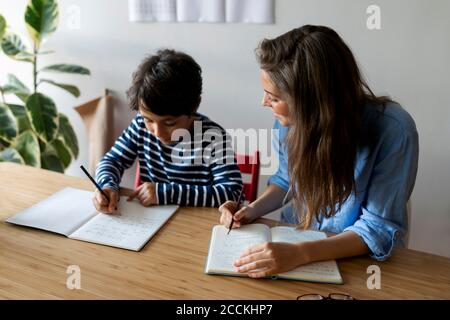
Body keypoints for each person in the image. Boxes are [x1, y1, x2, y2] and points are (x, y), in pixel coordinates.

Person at [219, 25, 419, 278]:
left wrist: (300, 254)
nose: (264, 103)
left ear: (312, 103)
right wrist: (251, 210)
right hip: (293, 240)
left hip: (360, 267)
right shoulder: (287, 121)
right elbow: (287, 179)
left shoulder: (394, 130)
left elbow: (377, 229)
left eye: (274, 97)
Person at [93, 49, 243, 213]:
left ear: (194, 107)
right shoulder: (140, 126)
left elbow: (232, 194)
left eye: (170, 123)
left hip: (197, 226)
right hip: (151, 222)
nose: (158, 132)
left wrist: (165, 193)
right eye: (149, 119)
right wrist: (107, 186)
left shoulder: (213, 138)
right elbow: (111, 161)